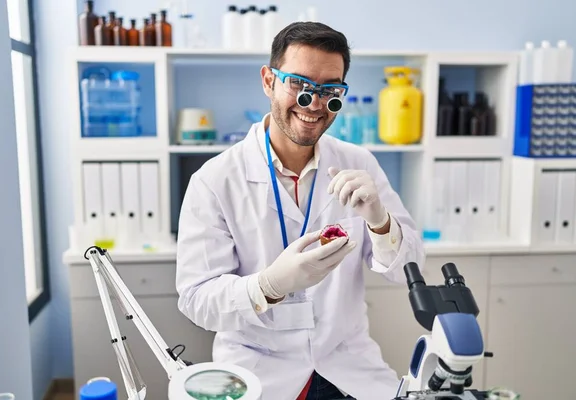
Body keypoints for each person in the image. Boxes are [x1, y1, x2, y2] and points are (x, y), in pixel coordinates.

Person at [175, 21, 426, 400]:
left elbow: (412, 269)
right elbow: (197, 300)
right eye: (299, 84)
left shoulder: (360, 163)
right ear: (268, 81)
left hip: (346, 364)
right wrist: (268, 286)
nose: (315, 104)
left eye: (330, 90)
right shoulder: (215, 180)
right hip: (259, 369)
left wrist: (380, 222)